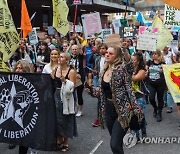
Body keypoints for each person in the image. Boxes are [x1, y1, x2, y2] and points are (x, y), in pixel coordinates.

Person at [85, 44, 141, 154]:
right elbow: (101, 93)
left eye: (111, 53)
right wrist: (90, 89)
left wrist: (124, 49)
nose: (107, 54)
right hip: (108, 109)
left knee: (114, 145)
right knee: (117, 143)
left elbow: (130, 66)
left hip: (123, 111)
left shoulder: (122, 69)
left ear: (117, 56)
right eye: (106, 52)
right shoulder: (103, 70)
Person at [51, 52, 78, 152]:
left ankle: (66, 141)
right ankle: (59, 137)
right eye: (59, 56)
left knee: (66, 118)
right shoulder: (55, 69)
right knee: (57, 118)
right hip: (56, 95)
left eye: (62, 57)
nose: (59, 58)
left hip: (67, 97)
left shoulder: (71, 72)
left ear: (67, 60)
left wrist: (65, 81)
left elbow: (73, 87)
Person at [13, 60, 37, 154]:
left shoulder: (31, 80)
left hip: (28, 112)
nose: (18, 70)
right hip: (15, 112)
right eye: (17, 68)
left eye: (21, 68)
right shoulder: (11, 79)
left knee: (25, 136)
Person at [146, 50, 166, 122]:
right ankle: (155, 108)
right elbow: (145, 69)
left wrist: (162, 70)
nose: (154, 55)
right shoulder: (149, 62)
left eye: (155, 54)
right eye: (153, 54)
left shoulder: (163, 63)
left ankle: (159, 113)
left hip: (160, 84)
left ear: (159, 55)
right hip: (151, 83)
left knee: (160, 99)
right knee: (151, 98)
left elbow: (165, 72)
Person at [131, 52, 147, 140]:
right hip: (130, 96)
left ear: (138, 61)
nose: (132, 62)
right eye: (131, 60)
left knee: (140, 115)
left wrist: (128, 73)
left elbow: (135, 78)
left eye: (133, 60)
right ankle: (135, 135)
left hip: (139, 96)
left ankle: (143, 131)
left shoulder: (142, 70)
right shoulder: (129, 68)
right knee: (133, 116)